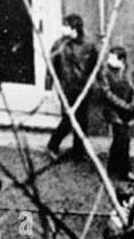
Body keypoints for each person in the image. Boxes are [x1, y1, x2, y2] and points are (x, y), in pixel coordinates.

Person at [46, 14, 99, 162]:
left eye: (65, 26)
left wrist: (93, 83)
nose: (62, 28)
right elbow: (50, 68)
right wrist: (48, 89)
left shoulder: (89, 45)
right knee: (68, 120)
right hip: (66, 89)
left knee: (82, 121)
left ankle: (78, 152)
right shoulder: (59, 45)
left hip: (83, 89)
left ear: (73, 28)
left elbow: (96, 65)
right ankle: (52, 145)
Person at [98, 45, 134, 181]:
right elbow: (107, 94)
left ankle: (112, 166)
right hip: (112, 110)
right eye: (109, 57)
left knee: (119, 138)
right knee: (123, 138)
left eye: (112, 57)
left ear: (121, 60)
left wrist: (132, 103)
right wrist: (124, 105)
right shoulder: (105, 72)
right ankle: (124, 171)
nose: (109, 60)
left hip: (127, 110)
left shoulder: (130, 70)